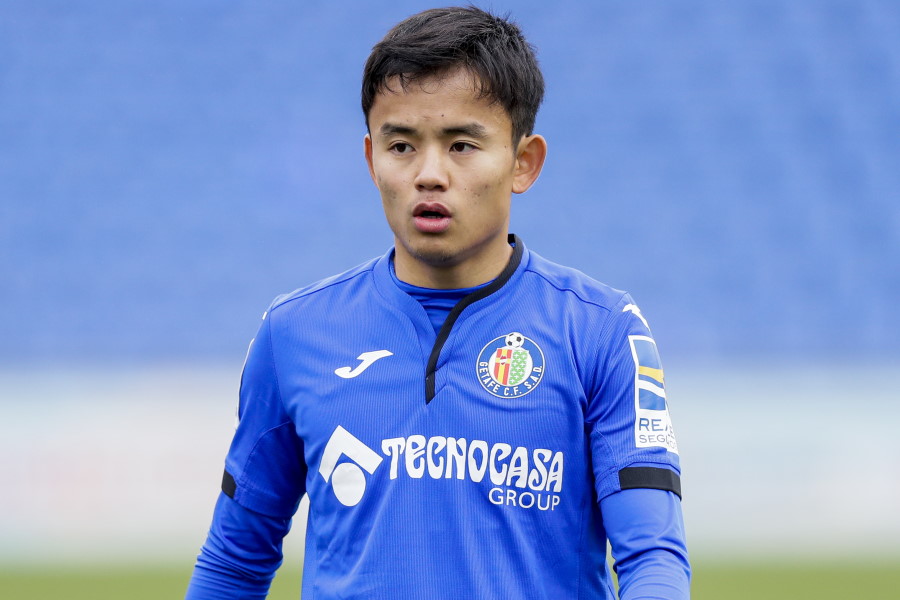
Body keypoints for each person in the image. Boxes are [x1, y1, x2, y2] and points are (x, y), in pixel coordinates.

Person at [185, 6, 690, 599]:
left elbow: (652, 556)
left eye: (462, 145)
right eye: (401, 145)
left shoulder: (600, 330)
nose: (429, 174)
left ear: (523, 162)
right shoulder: (294, 332)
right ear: (371, 159)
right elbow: (233, 563)